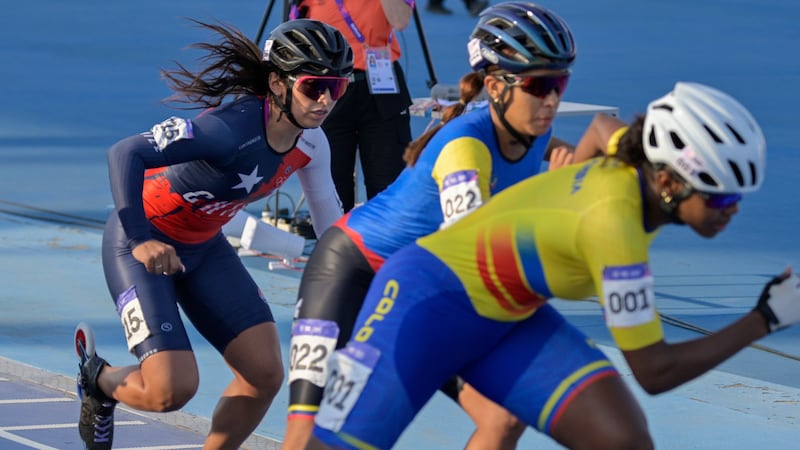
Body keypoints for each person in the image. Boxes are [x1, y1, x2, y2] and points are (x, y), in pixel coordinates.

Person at [307, 81, 798, 450]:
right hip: (425, 302)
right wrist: (764, 319)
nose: (733, 209)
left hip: (509, 313)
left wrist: (568, 178)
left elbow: (606, 128)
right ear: (669, 181)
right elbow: (654, 371)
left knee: (622, 440)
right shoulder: (613, 225)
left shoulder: (630, 161)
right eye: (723, 195)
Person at [284, 2, 576, 449]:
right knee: (308, 435)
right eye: (539, 85)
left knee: (500, 420)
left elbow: (600, 141)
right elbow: (472, 252)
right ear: (495, 86)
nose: (552, 99)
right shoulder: (465, 147)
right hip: (352, 270)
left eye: (560, 83)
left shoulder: (535, 133)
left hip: (414, 281)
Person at [75, 18, 353, 450]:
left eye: (337, 88)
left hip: (204, 247)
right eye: (314, 87)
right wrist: (141, 238)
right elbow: (125, 152)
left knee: (264, 376)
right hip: (141, 242)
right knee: (169, 391)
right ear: (278, 85)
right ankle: (99, 380)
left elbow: (330, 224)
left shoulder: (313, 144)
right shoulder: (227, 129)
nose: (325, 101)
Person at [290, 0, 415, 213]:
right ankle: (335, 244)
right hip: (327, 87)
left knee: (389, 184)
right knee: (331, 188)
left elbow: (400, 20)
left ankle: (384, 244)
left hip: (380, 82)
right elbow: (293, 33)